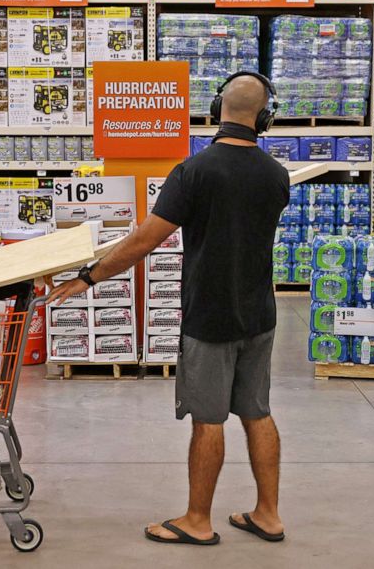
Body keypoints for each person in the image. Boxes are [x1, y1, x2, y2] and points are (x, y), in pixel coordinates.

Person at [47, 73, 291, 546]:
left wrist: (88, 277)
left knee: (209, 419)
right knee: (258, 411)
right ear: (265, 118)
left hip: (209, 317)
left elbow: (144, 240)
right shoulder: (276, 174)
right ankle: (268, 514)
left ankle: (198, 520)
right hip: (259, 314)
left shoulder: (194, 172)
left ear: (217, 106)